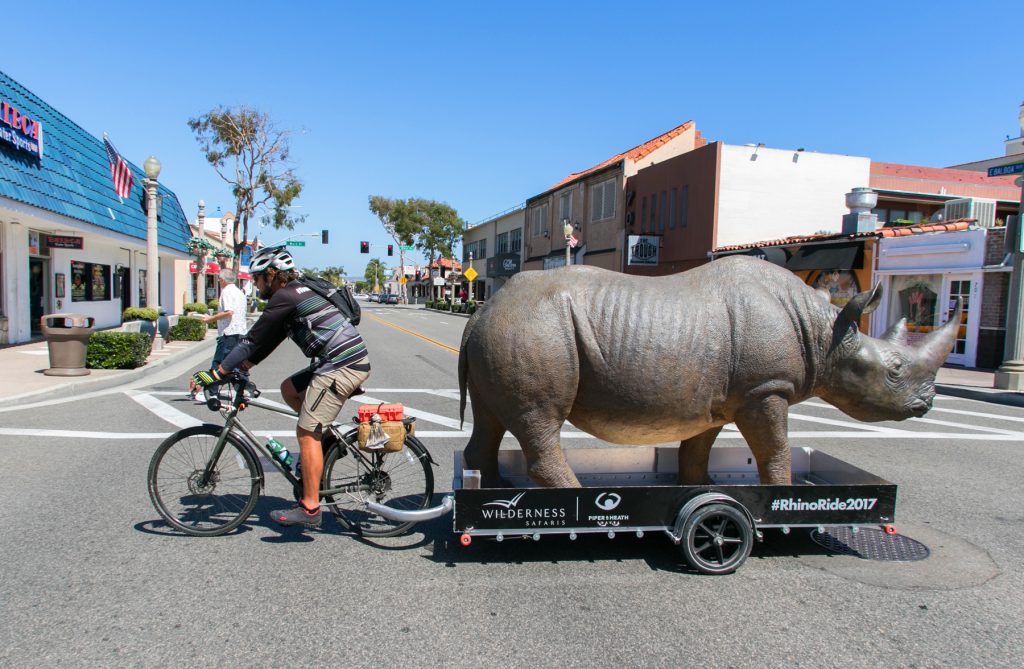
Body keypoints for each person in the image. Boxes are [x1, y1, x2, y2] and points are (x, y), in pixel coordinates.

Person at [191, 246, 369, 529]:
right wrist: (241, 368)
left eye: (258, 278)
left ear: (272, 276)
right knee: (289, 388)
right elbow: (266, 342)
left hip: (341, 365)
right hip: (337, 362)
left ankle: (310, 509)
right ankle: (326, 440)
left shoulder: (285, 297)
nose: (256, 283)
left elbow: (251, 340)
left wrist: (217, 372)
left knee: (306, 432)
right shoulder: (291, 296)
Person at [189, 268, 248, 401]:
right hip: (240, 332)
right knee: (236, 364)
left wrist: (210, 319)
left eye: (219, 279)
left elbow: (229, 312)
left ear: (222, 280)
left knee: (218, 363)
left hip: (228, 333)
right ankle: (244, 390)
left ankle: (211, 393)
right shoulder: (240, 292)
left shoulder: (226, 292)